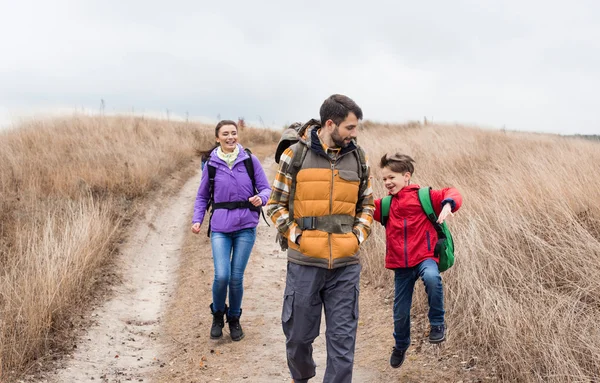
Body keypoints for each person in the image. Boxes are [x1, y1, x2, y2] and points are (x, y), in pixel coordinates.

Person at [267, 94, 374, 383]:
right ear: (330, 124)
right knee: (299, 338)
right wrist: (298, 238)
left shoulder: (359, 157)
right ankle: (301, 377)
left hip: (345, 265)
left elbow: (367, 205)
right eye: (350, 128)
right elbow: (275, 205)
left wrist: (357, 237)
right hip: (305, 262)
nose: (354, 134)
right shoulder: (295, 155)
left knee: (342, 342)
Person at [372, 153, 462, 368]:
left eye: (391, 177)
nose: (387, 183)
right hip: (401, 266)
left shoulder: (425, 196)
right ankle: (401, 344)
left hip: (425, 257)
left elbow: (453, 192)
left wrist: (448, 204)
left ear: (406, 176)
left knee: (432, 277)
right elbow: (362, 208)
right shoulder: (384, 204)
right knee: (400, 312)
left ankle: (438, 324)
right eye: (384, 179)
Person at [191, 120, 271, 342]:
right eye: (225, 134)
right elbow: (202, 196)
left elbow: (266, 188)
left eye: (233, 133)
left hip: (246, 227)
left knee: (236, 278)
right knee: (222, 275)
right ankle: (218, 315)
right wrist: (197, 220)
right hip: (220, 228)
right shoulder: (211, 164)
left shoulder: (249, 160)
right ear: (217, 138)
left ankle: (234, 318)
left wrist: (261, 198)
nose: (230, 137)